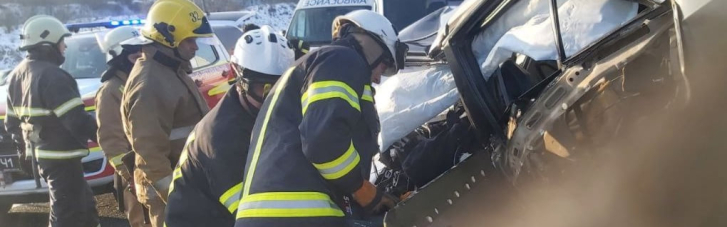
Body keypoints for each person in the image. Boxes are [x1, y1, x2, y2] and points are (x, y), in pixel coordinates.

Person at [233, 10, 408, 227]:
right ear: (373, 45)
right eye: (383, 66)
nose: (378, 78)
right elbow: (323, 141)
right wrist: (363, 190)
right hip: (296, 214)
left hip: (272, 215)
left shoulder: (316, 62)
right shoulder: (343, 59)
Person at [164, 25, 295, 227]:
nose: (273, 100)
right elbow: (254, 213)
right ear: (239, 77)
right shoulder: (220, 138)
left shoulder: (256, 112)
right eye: (265, 89)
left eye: (281, 88)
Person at [120, 0, 212, 226]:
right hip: (170, 197)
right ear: (168, 37)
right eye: (189, 39)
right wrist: (175, 198)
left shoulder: (171, 71)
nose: (195, 47)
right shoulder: (150, 84)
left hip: (188, 186)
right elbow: (149, 154)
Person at [5, 15, 99, 227]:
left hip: (44, 158)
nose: (64, 46)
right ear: (48, 43)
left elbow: (11, 124)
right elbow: (76, 120)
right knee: (66, 214)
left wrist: (24, 151)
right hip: (62, 158)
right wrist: (109, 137)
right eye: (62, 41)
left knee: (84, 208)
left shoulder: (16, 75)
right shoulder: (53, 76)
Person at [94, 26, 150, 227]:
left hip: (154, 168)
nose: (140, 54)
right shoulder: (110, 91)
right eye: (134, 51)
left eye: (142, 49)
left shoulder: (139, 83)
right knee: (143, 222)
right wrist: (132, 176)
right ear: (118, 55)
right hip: (134, 174)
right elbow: (111, 140)